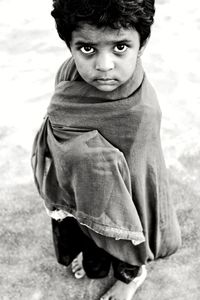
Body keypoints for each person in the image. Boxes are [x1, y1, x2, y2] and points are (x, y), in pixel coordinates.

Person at [31, 1, 181, 299]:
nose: (103, 66)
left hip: (121, 200)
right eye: (87, 49)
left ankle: (131, 276)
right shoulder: (70, 73)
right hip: (78, 186)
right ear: (70, 45)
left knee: (123, 239)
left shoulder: (140, 113)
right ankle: (91, 246)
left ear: (142, 43)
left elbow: (140, 185)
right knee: (91, 250)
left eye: (120, 47)